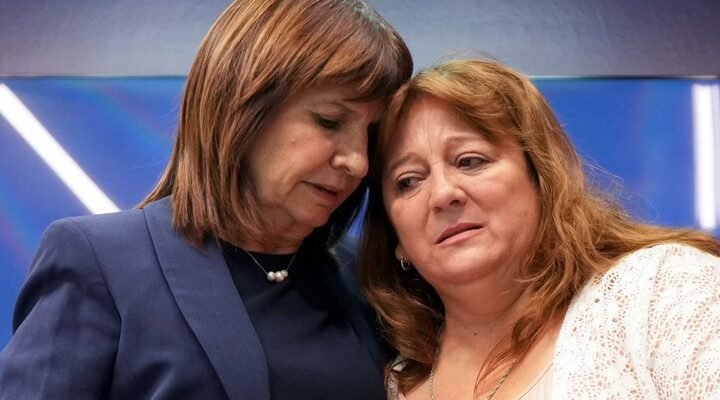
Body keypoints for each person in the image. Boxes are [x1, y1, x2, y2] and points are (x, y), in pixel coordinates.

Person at [0, 1, 412, 398]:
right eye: (329, 121)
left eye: (372, 134)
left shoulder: (368, 275)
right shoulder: (99, 261)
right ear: (242, 107)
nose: (358, 161)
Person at [359, 59, 720, 399]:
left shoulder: (661, 291)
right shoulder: (391, 381)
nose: (442, 194)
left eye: (469, 161)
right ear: (396, 237)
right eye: (408, 181)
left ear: (541, 179)